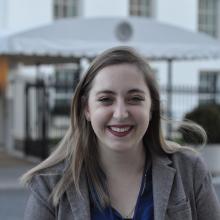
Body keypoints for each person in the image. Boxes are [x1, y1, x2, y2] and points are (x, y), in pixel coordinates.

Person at [21, 46, 220, 220]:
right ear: (86, 109)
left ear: (151, 107)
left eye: (134, 98)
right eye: (106, 99)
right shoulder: (49, 184)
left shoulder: (189, 170)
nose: (120, 113)